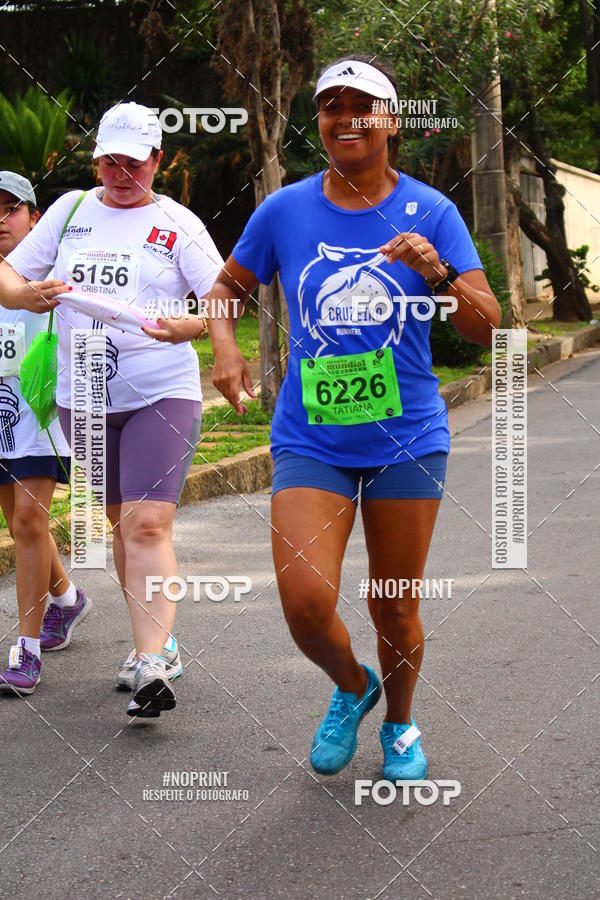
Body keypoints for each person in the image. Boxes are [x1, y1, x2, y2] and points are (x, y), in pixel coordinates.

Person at [146, 56, 501, 775]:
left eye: (361, 105)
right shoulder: (285, 210)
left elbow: (487, 326)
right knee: (305, 601)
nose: (346, 118)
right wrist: (222, 347)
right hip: (312, 438)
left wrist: (434, 270)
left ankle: (400, 724)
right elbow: (227, 287)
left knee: (394, 607)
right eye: (332, 106)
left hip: (407, 436)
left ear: (390, 121)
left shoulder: (431, 210)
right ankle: (352, 686)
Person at [0, 103, 224, 717]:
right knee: (123, 526)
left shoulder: (178, 223)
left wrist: (195, 327)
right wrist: (29, 294)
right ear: (96, 159)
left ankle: (154, 662)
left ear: (157, 160)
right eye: (109, 161)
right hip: (85, 395)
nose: (120, 172)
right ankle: (157, 644)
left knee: (149, 524)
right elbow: (7, 276)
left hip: (161, 391)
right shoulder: (72, 211)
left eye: (133, 161)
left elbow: (221, 299)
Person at [0, 172, 90, 695]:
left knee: (31, 519)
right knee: (18, 523)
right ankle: (67, 598)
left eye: (10, 209)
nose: (0, 221)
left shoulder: (57, 268)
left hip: (42, 411)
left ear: (35, 218)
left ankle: (26, 651)